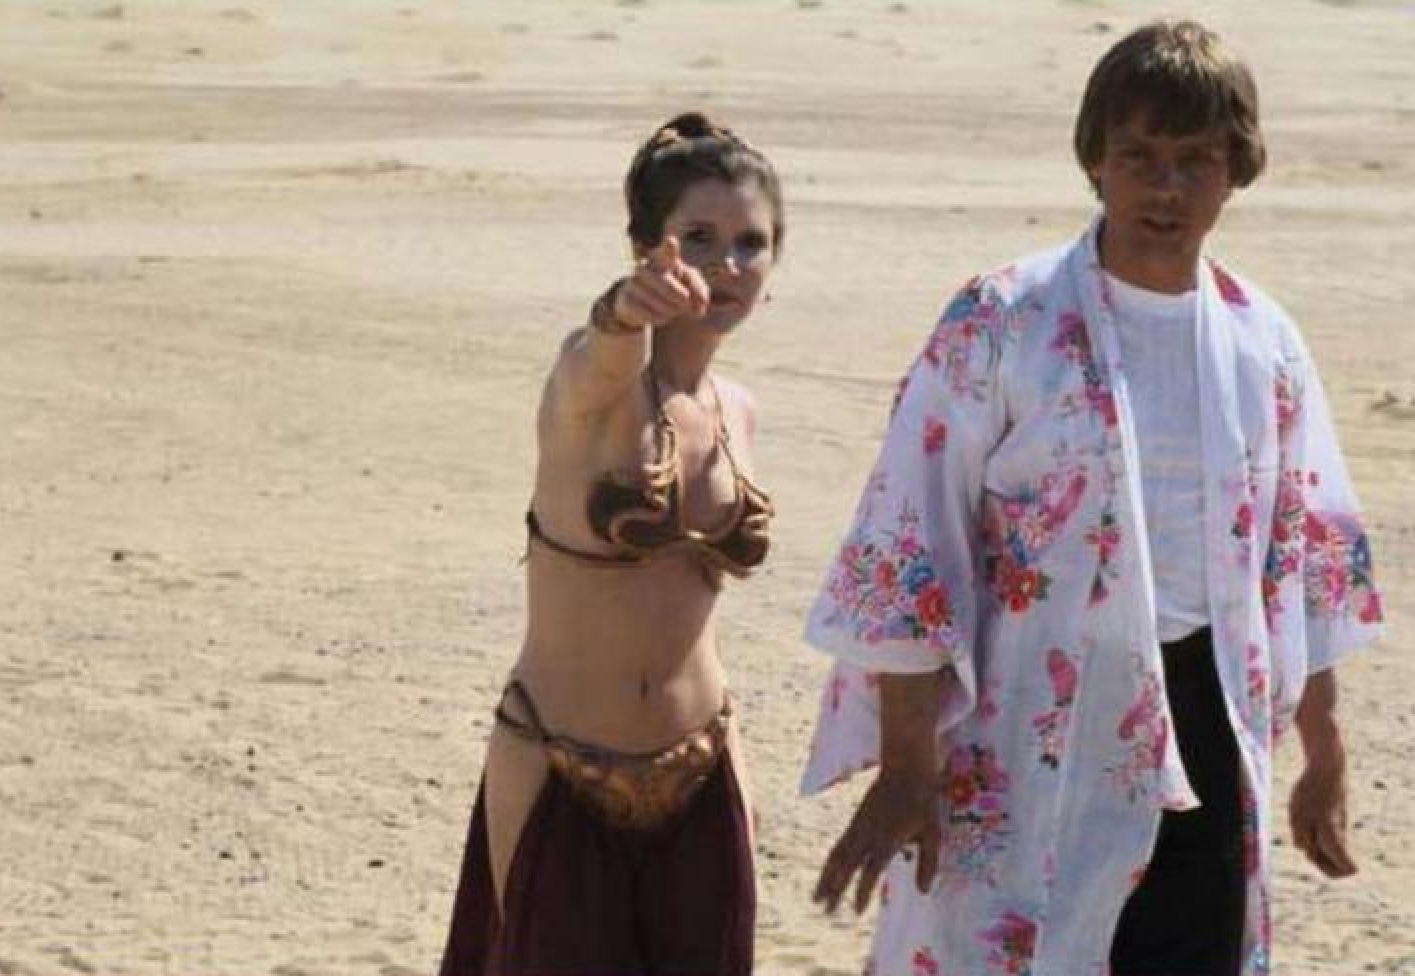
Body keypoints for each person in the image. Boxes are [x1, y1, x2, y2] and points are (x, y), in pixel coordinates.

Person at [800, 20, 1382, 976]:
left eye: (1195, 159)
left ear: (1236, 169)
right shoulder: (1001, 323)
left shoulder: (1265, 344)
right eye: (1138, 156)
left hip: (1208, 718)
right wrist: (907, 765)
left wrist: (1324, 753)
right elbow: (914, 544)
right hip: (1023, 723)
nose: (1165, 187)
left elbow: (1304, 559)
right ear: (1096, 161)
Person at [438, 112, 783, 975]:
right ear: (645, 248)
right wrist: (623, 312)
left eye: (752, 242)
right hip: (562, 768)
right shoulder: (592, 389)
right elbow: (605, 350)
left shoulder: (739, 410)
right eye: (699, 238)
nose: (728, 264)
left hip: (706, 766)